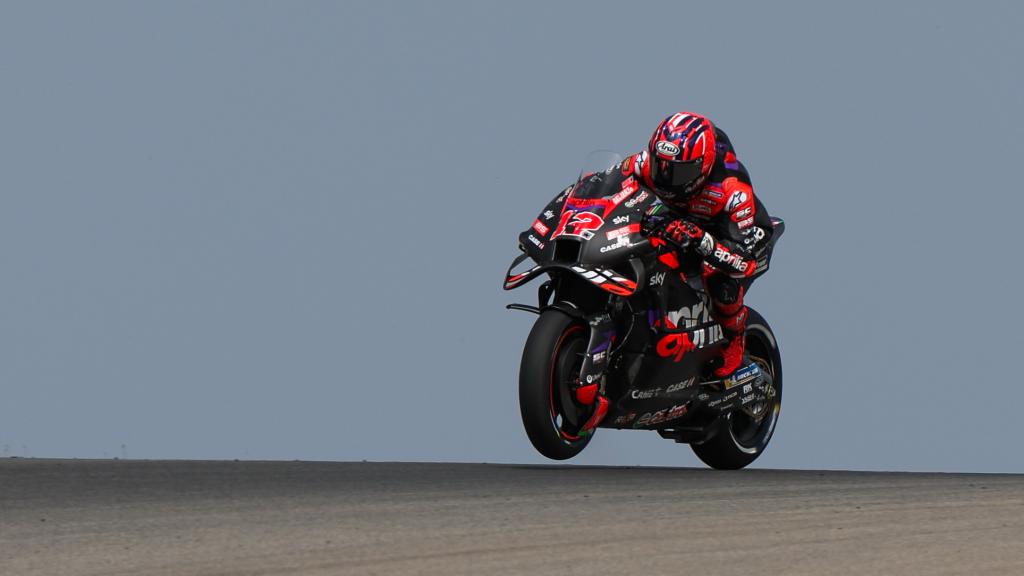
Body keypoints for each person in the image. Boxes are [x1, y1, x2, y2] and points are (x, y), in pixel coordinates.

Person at [633, 111, 774, 380]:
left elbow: (743, 262)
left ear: (703, 166)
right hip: (684, 218)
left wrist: (702, 240)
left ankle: (734, 341)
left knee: (718, 276)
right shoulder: (648, 164)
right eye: (661, 165)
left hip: (739, 234)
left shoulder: (733, 190)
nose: (667, 178)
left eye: (679, 171)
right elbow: (610, 180)